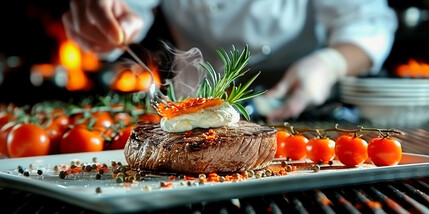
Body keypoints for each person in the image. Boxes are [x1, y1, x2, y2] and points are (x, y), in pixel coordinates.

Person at [62, 0, 397, 122]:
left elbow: (368, 24)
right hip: (192, 109)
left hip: (301, 109)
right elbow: (123, 12)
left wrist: (329, 64)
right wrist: (103, 22)